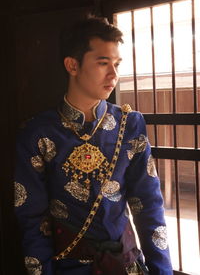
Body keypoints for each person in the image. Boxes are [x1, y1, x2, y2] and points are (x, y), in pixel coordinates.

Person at [14, 16, 173, 275]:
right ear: (72, 65)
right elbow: (32, 220)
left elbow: (149, 205)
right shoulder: (38, 132)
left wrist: (161, 271)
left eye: (117, 64)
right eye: (103, 63)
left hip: (126, 263)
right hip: (69, 266)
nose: (114, 74)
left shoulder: (129, 124)